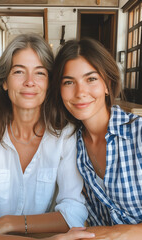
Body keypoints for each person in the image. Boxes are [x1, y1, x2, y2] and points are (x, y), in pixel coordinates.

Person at [0, 34, 95, 240]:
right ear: (4, 81)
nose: (30, 82)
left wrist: (9, 223)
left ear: (50, 83)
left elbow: (74, 212)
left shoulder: (64, 136)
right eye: (18, 71)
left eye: (40, 73)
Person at [47, 37, 142, 239]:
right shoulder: (72, 144)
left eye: (91, 79)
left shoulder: (137, 133)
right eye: (69, 82)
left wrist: (120, 232)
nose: (80, 92)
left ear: (108, 84)